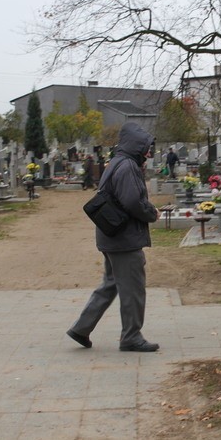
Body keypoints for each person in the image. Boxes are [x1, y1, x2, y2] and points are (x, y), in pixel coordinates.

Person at [66, 122, 161, 352]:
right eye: (146, 146)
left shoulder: (118, 162)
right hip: (124, 239)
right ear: (136, 145)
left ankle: (81, 328)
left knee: (110, 285)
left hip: (111, 236)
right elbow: (131, 202)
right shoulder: (128, 166)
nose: (149, 150)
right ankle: (131, 336)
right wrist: (151, 213)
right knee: (133, 289)